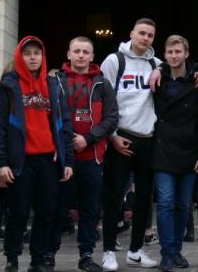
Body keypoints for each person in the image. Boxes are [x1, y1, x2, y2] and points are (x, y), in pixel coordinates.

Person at [0, 36, 74, 272]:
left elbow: (64, 124)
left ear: (43, 56)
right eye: (27, 54)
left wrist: (67, 159)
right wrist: (2, 162)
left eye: (37, 53)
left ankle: (38, 260)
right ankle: (12, 259)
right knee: (17, 213)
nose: (33, 58)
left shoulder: (53, 85)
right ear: (20, 56)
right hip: (20, 161)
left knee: (46, 213)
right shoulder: (7, 86)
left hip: (49, 160)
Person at [48, 36, 119, 271]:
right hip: (62, 158)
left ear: (92, 56)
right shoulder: (55, 82)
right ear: (68, 54)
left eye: (85, 52)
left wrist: (87, 138)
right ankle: (49, 255)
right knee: (57, 209)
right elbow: (49, 115)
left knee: (90, 211)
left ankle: (86, 256)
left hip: (92, 158)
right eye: (76, 51)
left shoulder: (103, 84)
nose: (80, 55)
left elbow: (112, 118)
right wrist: (67, 141)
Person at [100, 18, 161, 271]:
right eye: (142, 33)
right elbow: (103, 99)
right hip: (121, 137)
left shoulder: (156, 63)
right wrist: (112, 136)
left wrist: (162, 70)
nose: (145, 38)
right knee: (114, 197)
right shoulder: (114, 61)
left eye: (150, 35)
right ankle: (108, 251)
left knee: (144, 199)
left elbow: (183, 69)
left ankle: (136, 251)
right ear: (132, 33)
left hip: (148, 138)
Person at [151, 35, 198, 271]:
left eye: (178, 52)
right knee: (165, 203)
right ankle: (167, 252)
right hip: (163, 149)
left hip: (189, 150)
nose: (174, 56)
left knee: (184, 205)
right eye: (169, 52)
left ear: (186, 53)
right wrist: (158, 69)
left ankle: (176, 250)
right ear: (164, 55)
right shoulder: (157, 79)